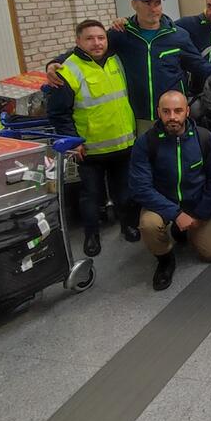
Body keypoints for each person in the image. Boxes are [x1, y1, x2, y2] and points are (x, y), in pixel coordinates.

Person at [46, 0, 211, 133]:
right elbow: (90, 48)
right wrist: (56, 62)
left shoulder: (178, 36)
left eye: (157, 3)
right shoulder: (121, 34)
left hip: (172, 114)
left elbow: (199, 65)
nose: (153, 8)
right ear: (134, 4)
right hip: (137, 117)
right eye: (147, 3)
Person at [46, 19, 140, 257]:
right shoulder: (67, 70)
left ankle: (127, 226)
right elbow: (58, 112)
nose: (97, 43)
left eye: (101, 38)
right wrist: (73, 141)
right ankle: (91, 236)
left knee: (124, 192)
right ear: (78, 41)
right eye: (90, 38)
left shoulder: (116, 60)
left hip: (123, 143)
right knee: (91, 197)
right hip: (90, 150)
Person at [129, 90, 211, 291]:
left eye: (178, 111)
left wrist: (201, 213)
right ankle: (165, 260)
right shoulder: (145, 143)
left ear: (187, 111)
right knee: (148, 224)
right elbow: (140, 188)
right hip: (161, 203)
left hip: (196, 203)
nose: (172, 117)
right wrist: (176, 213)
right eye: (166, 111)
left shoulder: (204, 138)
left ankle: (182, 229)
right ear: (158, 112)